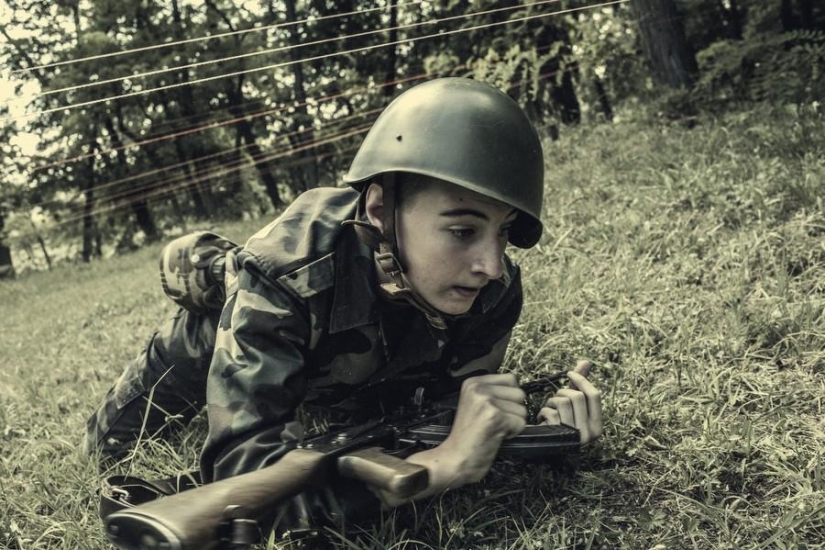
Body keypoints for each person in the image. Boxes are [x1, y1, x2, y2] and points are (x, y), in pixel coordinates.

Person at [85, 77, 602, 534]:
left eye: (504, 232)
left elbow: (438, 412)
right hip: (233, 315)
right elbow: (243, 486)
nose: (490, 264)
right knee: (105, 447)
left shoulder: (493, 289)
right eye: (463, 231)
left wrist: (539, 432)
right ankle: (214, 270)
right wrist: (436, 469)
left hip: (341, 354)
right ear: (379, 210)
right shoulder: (283, 280)